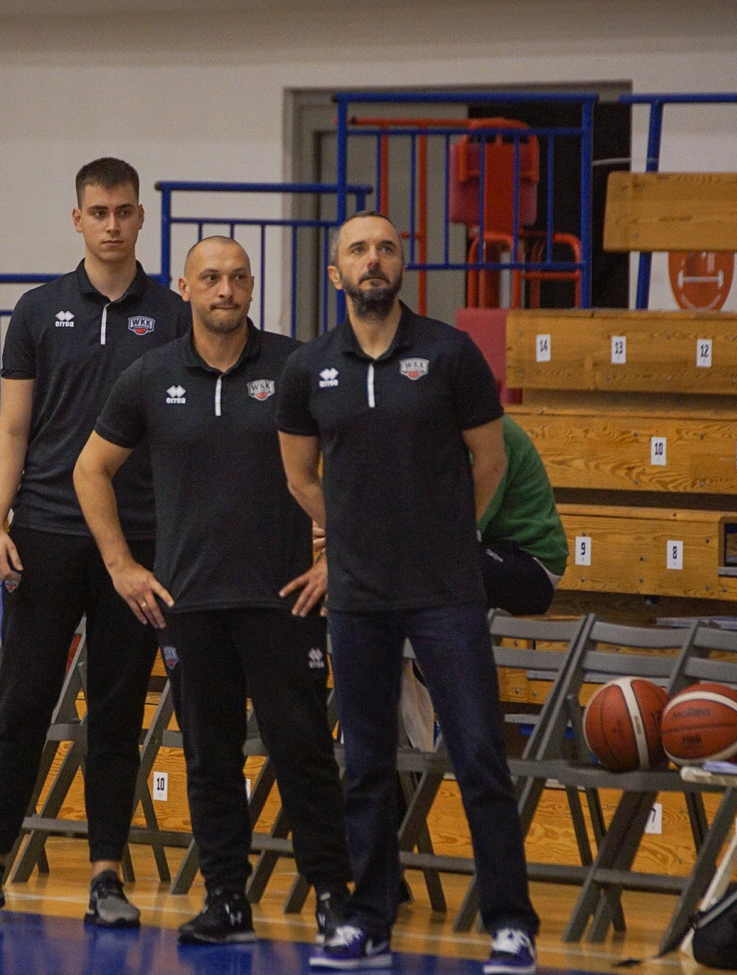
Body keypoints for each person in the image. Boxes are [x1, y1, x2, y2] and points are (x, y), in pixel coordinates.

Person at [278, 212, 540, 974]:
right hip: (359, 595)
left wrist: (446, 533)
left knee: (479, 755)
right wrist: (353, 533)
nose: (374, 259)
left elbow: (489, 461)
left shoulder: (450, 354)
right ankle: (369, 921)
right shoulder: (308, 368)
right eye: (359, 250)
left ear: (401, 267)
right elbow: (298, 475)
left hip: (445, 590)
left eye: (386, 248)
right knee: (365, 763)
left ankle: (510, 924)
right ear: (336, 273)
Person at [74, 236, 352, 945]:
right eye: (210, 278)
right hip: (190, 604)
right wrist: (121, 565)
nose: (224, 290)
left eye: (236, 278)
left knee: (303, 751)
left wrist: (339, 558)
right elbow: (89, 469)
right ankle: (226, 900)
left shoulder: (295, 367)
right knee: (209, 759)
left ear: (251, 287)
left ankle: (333, 897)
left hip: (285, 599)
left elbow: (355, 459)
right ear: (185, 287)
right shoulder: (149, 375)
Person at [0, 158, 189, 927]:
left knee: (114, 716)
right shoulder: (37, 310)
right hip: (44, 533)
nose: (112, 224)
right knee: (22, 706)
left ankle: (107, 878)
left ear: (141, 217)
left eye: (124, 211)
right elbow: (11, 429)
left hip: (136, 545)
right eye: (99, 212)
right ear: (77, 219)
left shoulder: (175, 316)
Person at [478, 416, 566, 616]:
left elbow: (466, 527)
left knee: (439, 574)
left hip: (531, 564)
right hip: (488, 549)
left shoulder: (489, 434)